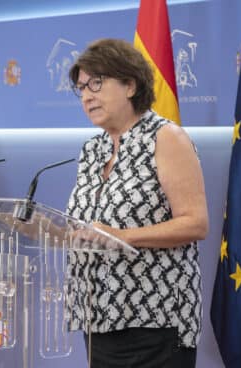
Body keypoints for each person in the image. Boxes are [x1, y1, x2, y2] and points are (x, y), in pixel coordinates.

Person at [66, 39, 208, 367]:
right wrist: (47, 229)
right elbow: (88, 225)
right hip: (97, 319)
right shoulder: (92, 150)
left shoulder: (166, 138)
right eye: (81, 87)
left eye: (96, 84)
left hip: (154, 321)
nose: (86, 95)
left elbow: (195, 222)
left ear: (130, 85)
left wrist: (124, 236)